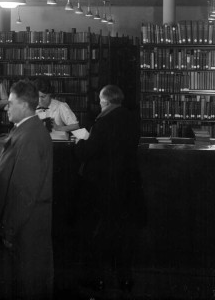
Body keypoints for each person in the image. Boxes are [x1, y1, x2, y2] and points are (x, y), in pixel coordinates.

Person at [74, 84, 146, 293]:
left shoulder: (103, 121)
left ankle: (96, 279)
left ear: (104, 101)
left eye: (100, 100)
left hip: (104, 187)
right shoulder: (131, 118)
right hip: (127, 186)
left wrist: (80, 141)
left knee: (99, 232)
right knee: (124, 233)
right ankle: (124, 278)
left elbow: (87, 152)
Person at [0, 80, 54, 299]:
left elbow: (24, 190)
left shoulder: (29, 136)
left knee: (27, 282)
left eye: (10, 103)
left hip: (24, 224)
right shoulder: (27, 130)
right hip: (25, 221)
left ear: (25, 105)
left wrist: (8, 229)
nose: (7, 107)